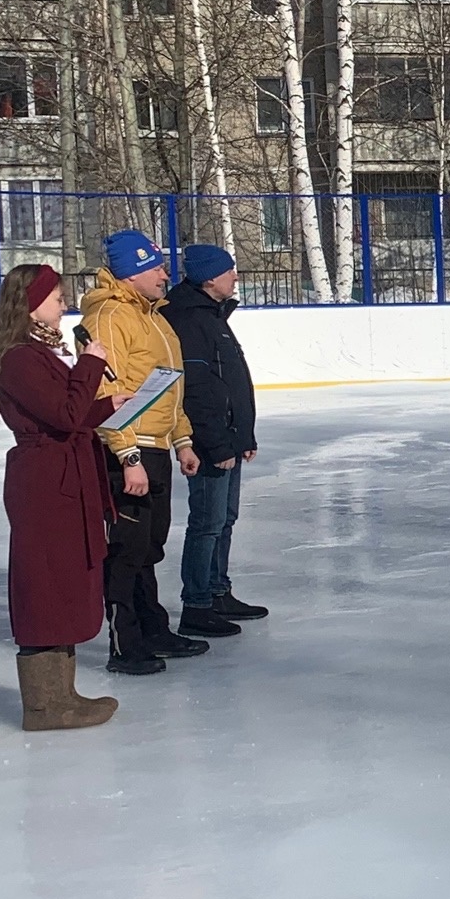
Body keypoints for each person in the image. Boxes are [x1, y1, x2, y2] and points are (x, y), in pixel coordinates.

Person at [0, 263, 122, 732]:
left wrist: (110, 405)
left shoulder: (36, 355)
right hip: (46, 485)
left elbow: (69, 415)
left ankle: (62, 694)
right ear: (32, 305)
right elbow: (63, 415)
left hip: (62, 479)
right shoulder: (21, 358)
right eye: (58, 298)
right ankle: (43, 705)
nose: (65, 306)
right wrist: (91, 363)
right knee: (45, 586)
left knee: (63, 583)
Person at [82, 228, 207, 675]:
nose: (164, 273)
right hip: (128, 451)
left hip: (155, 446)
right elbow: (104, 390)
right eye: (154, 266)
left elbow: (166, 386)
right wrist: (127, 455)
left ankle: (153, 628)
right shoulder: (111, 316)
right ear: (131, 272)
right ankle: (125, 643)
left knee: (148, 548)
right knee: (127, 550)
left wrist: (182, 439)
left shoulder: (154, 315)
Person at [164, 243, 268, 638]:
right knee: (206, 523)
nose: (235, 277)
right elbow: (198, 391)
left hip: (228, 437)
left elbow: (230, 383)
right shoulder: (190, 319)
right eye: (229, 271)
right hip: (211, 442)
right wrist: (217, 444)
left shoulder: (211, 314)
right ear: (210, 278)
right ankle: (197, 603)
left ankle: (217, 590)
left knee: (224, 519)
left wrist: (243, 435)